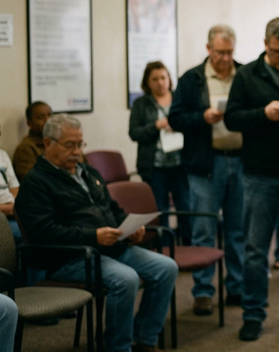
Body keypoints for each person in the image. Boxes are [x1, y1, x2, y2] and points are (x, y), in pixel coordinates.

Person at [15, 114, 178, 352]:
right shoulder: (36, 182)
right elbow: (43, 232)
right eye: (69, 145)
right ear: (48, 144)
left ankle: (145, 338)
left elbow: (113, 209)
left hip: (111, 247)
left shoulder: (88, 173)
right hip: (73, 257)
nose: (76, 151)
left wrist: (130, 227)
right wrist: (93, 236)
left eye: (80, 144)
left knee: (167, 268)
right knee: (126, 279)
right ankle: (117, 347)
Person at [224, 17, 279, 342]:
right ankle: (252, 315)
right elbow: (231, 118)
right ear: (266, 45)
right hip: (260, 175)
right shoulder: (247, 75)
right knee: (255, 250)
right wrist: (264, 113)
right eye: (278, 52)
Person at [168, 24, 245, 315]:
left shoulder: (244, 74)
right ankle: (203, 291)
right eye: (219, 52)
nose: (225, 58)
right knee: (203, 228)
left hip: (239, 159)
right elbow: (176, 118)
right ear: (208, 49)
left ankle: (236, 286)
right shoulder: (192, 79)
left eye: (229, 52)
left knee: (237, 229)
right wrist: (203, 117)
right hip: (205, 163)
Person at [129, 61, 190, 245]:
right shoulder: (141, 103)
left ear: (169, 79)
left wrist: (178, 125)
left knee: (185, 207)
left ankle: (189, 247)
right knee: (160, 209)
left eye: (163, 78)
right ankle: (165, 248)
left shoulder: (180, 98)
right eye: (154, 79)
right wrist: (155, 126)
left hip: (181, 163)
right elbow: (134, 133)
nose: (160, 82)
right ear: (147, 82)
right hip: (154, 166)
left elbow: (192, 124)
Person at [12, 101, 52, 181]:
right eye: (41, 117)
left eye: (50, 115)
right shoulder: (25, 149)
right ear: (29, 123)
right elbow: (32, 181)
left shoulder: (58, 142)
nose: (48, 120)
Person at [0, 123, 21, 243]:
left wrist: (16, 208)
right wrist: (6, 209)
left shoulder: (2, 154)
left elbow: (15, 189)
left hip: (13, 212)